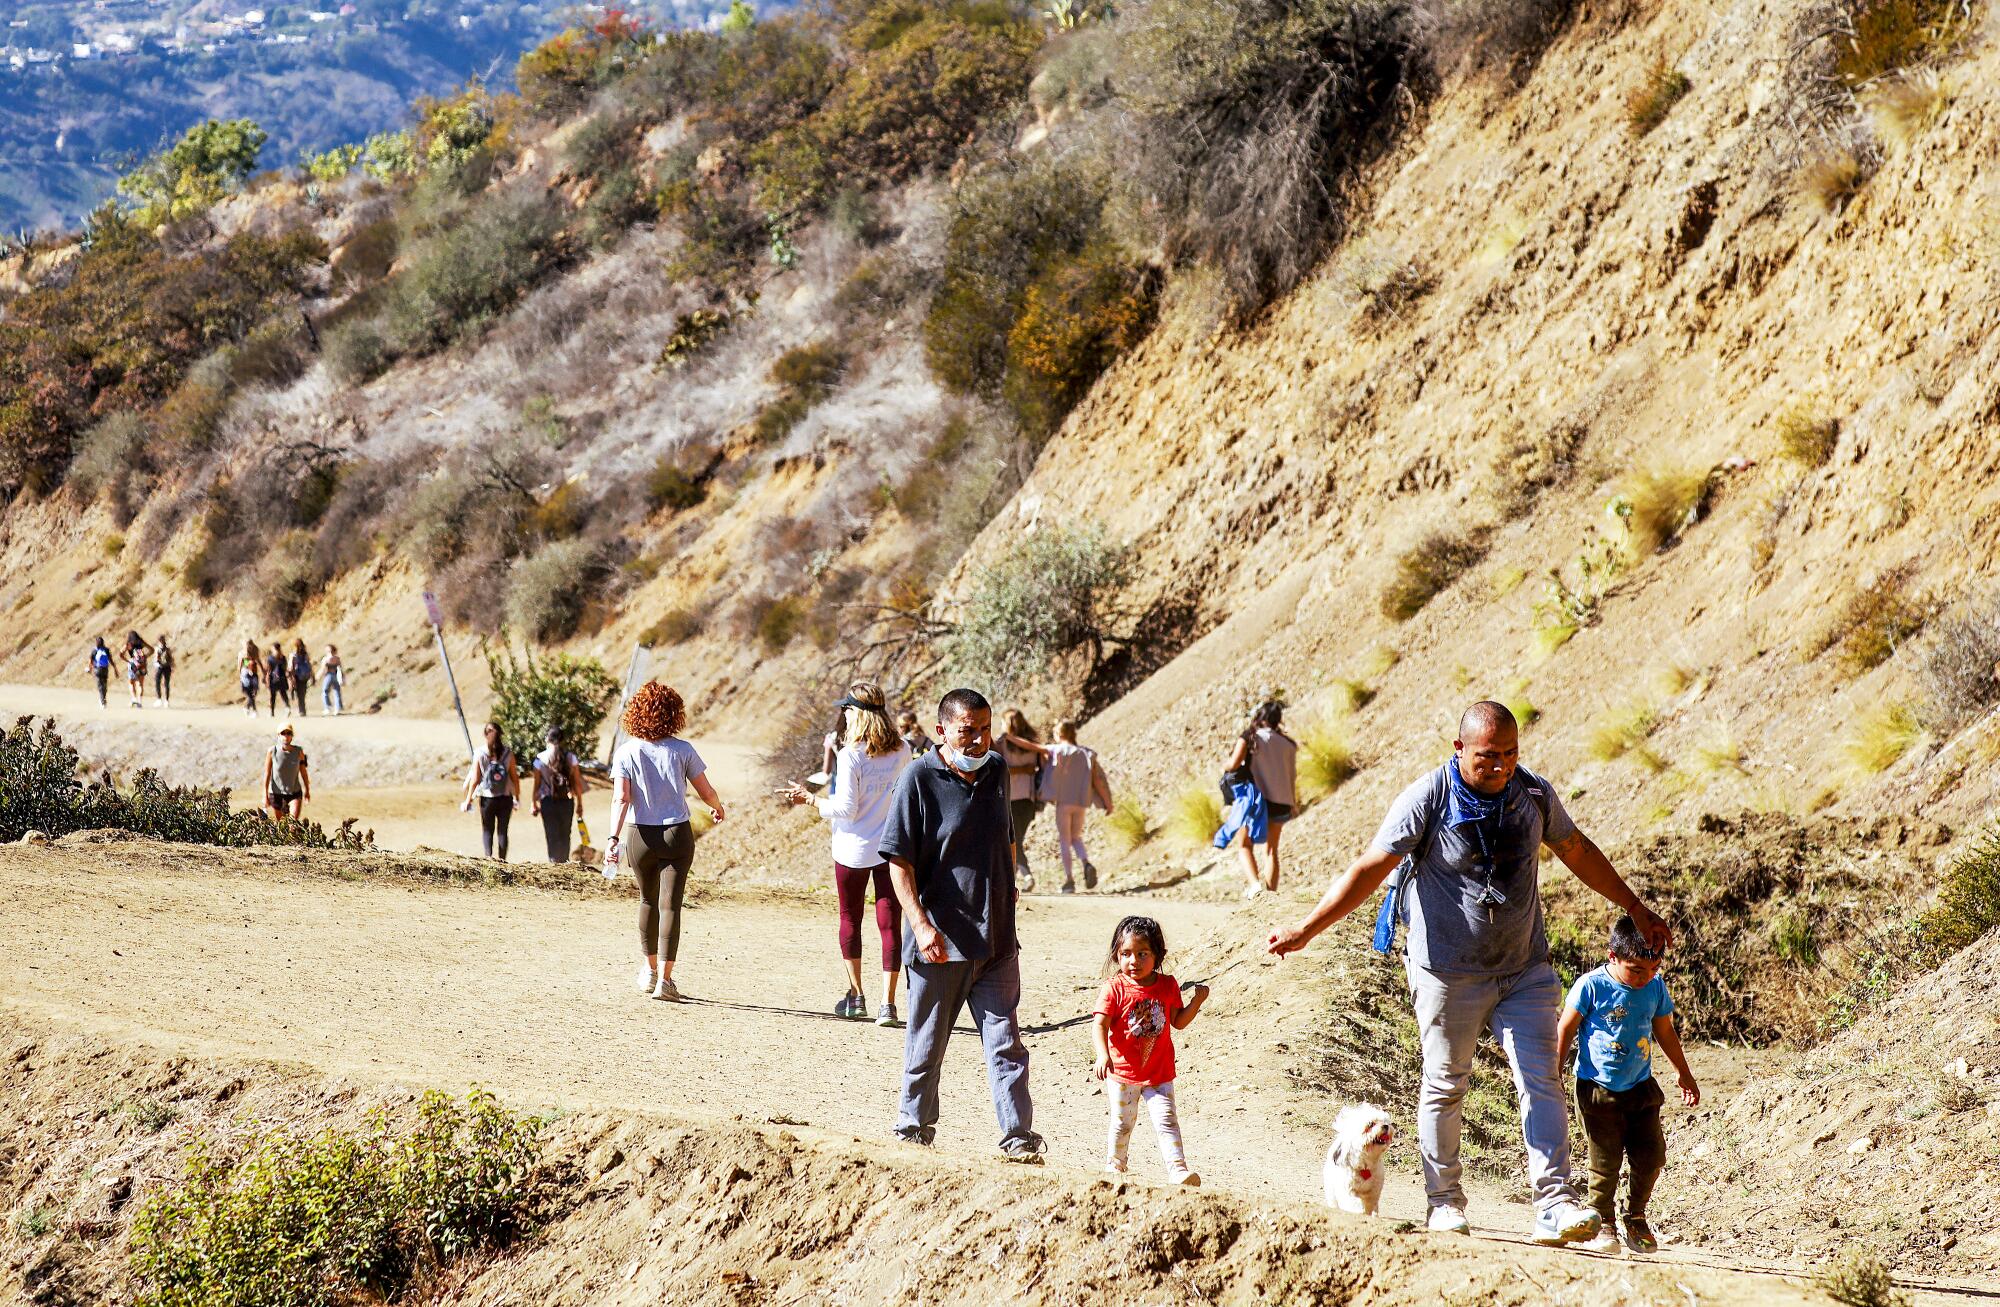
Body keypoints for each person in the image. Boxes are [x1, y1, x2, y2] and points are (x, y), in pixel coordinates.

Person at [1266, 700, 1672, 1247]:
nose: (1501, 765)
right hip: (1446, 972)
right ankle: (1444, 1204)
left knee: (1540, 1078)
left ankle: (1553, 1202)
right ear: (1459, 749)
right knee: (1446, 1082)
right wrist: (1308, 929)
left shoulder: (1533, 795)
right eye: (1487, 756)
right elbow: (1370, 867)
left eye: (1510, 753)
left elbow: (1576, 850)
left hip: (1522, 967)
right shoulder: (1427, 797)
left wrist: (1636, 906)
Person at [879, 688, 1043, 1161]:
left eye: (985, 729)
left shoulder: (996, 771)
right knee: (927, 1045)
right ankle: (913, 1126)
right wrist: (922, 925)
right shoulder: (916, 779)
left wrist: (1008, 896)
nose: (977, 740)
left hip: (995, 943)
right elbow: (898, 864)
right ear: (942, 731)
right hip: (940, 943)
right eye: (967, 730)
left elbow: (1007, 841)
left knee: (1007, 1044)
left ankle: (1017, 1136)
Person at [1557, 915, 1700, 1255]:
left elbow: (1664, 1030)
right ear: (1613, 957)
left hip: (1639, 1086)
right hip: (1597, 1088)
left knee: (1652, 1155)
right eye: (1635, 970)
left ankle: (1635, 1215)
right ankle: (1604, 1221)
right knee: (1605, 1162)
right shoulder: (1591, 986)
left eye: (1653, 968)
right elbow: (1565, 1029)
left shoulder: (1654, 986)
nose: (1644, 977)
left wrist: (1683, 1071)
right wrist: (1554, 1073)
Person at [785, 682, 911, 1025]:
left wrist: (811, 800)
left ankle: (856, 996)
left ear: (857, 714)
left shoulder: (852, 754)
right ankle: (888, 1003)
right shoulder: (903, 750)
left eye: (847, 709)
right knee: (890, 923)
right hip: (891, 846)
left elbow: (846, 808)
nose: (844, 714)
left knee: (850, 918)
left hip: (853, 848)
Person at [604, 682, 726, 1002]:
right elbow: (705, 790)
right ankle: (666, 982)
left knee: (647, 901)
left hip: (639, 834)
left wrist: (613, 838)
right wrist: (717, 807)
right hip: (676, 832)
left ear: (636, 713)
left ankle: (649, 971)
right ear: (674, 714)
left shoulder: (627, 751)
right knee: (670, 904)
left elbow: (621, 798)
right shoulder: (682, 750)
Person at [1092, 915, 1208, 1185]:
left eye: (1142, 953)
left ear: (1158, 955)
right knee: (1122, 1123)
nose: (1134, 961)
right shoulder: (1114, 988)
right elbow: (1099, 1024)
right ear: (1116, 955)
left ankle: (1178, 1169)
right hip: (1122, 1074)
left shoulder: (1168, 986)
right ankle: (1115, 1167)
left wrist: (1196, 1002)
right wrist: (1102, 1054)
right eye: (1126, 954)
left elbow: (1178, 1022)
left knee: (1167, 1121)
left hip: (1159, 1073)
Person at [1223, 701, 1297, 899]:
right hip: (1283, 802)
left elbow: (1234, 764)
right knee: (1272, 850)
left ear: (1260, 716)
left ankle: (1255, 886)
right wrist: (1293, 803)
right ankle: (1271, 895)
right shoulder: (1289, 744)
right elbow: (1292, 775)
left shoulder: (1251, 736)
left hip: (1256, 802)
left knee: (1244, 844)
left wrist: (1226, 764)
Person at [1042, 719, 1114, 893]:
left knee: (1065, 840)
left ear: (1059, 734)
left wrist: (1010, 738)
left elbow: (1032, 746)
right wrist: (1108, 803)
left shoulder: (1056, 750)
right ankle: (1086, 862)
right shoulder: (1086, 754)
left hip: (1063, 803)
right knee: (1075, 837)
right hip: (1081, 803)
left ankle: (1069, 880)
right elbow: (1097, 780)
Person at [997, 708, 1047, 893]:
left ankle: (1026, 875)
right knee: (1015, 838)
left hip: (1009, 798)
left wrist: (1017, 770)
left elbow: (1000, 769)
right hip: (1029, 798)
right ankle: (1015, 876)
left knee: (1013, 839)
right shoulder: (1033, 745)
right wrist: (1026, 769)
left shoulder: (1002, 744)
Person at [460, 723, 521, 860]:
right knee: (502, 831)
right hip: (506, 797)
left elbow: (475, 779)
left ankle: (489, 858)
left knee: (487, 830)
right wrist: (517, 797)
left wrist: (468, 799)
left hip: (487, 798)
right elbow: (515, 778)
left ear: (485, 734)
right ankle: (502, 860)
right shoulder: (508, 753)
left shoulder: (480, 753)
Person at [531, 724, 586, 863]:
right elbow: (577, 783)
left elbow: (536, 785)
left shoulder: (539, 759)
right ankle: (564, 863)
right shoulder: (571, 758)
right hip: (566, 801)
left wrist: (533, 803)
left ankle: (553, 862)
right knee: (565, 834)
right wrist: (579, 803)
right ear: (562, 740)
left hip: (547, 802)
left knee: (551, 834)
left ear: (547, 740)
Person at [263, 723, 309, 819]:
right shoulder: (272, 751)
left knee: (293, 825)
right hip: (276, 794)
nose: (286, 736)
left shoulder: (299, 751)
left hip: (294, 792)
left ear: (292, 736)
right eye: (283, 733)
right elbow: (267, 774)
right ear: (278, 736)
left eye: (289, 733)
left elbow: (303, 773)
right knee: (281, 826)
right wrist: (265, 795)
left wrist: (307, 791)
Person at [289, 641, 314, 718]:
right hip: (305, 676)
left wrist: (291, 677)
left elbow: (291, 667)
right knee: (302, 693)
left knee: (299, 693)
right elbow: (309, 665)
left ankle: (301, 710)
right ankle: (302, 709)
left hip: (296, 676)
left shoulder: (293, 655)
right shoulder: (305, 655)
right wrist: (312, 676)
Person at [264, 642, 289, 716]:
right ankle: (287, 708)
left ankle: (272, 712)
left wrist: (267, 679)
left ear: (273, 648)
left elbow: (268, 670)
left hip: (273, 679)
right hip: (282, 678)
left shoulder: (270, 658)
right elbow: (285, 668)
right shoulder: (283, 657)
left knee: (272, 696)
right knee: (283, 694)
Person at [237, 640, 261, 716]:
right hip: (246, 674)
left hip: (253, 673)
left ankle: (247, 707)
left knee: (254, 692)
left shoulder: (255, 652)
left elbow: (258, 661)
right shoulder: (242, 654)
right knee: (250, 693)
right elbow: (241, 665)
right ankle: (254, 710)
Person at [87, 637, 112, 707]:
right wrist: (115, 668)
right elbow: (111, 660)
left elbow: (91, 661)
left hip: (97, 670)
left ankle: (102, 700)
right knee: (104, 685)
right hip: (105, 669)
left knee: (100, 686)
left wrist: (89, 668)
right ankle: (104, 699)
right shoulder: (106, 650)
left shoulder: (94, 650)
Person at [320, 645, 345, 715]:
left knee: (325, 691)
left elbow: (323, 669)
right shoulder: (337, 658)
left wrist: (317, 677)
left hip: (328, 676)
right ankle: (337, 708)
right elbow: (340, 668)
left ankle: (327, 707)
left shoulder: (326, 659)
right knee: (337, 692)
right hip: (336, 676)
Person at [125, 642, 148, 709]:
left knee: (131, 683)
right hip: (142, 669)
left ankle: (134, 698)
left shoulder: (132, 647)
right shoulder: (141, 651)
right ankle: (139, 702)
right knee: (140, 685)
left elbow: (122, 652)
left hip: (133, 666)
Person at [153, 635, 173, 706]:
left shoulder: (157, 648)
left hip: (159, 667)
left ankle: (159, 699)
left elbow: (156, 659)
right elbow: (171, 658)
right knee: (166, 684)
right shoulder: (168, 649)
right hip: (167, 667)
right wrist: (172, 665)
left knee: (157, 682)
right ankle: (166, 701)